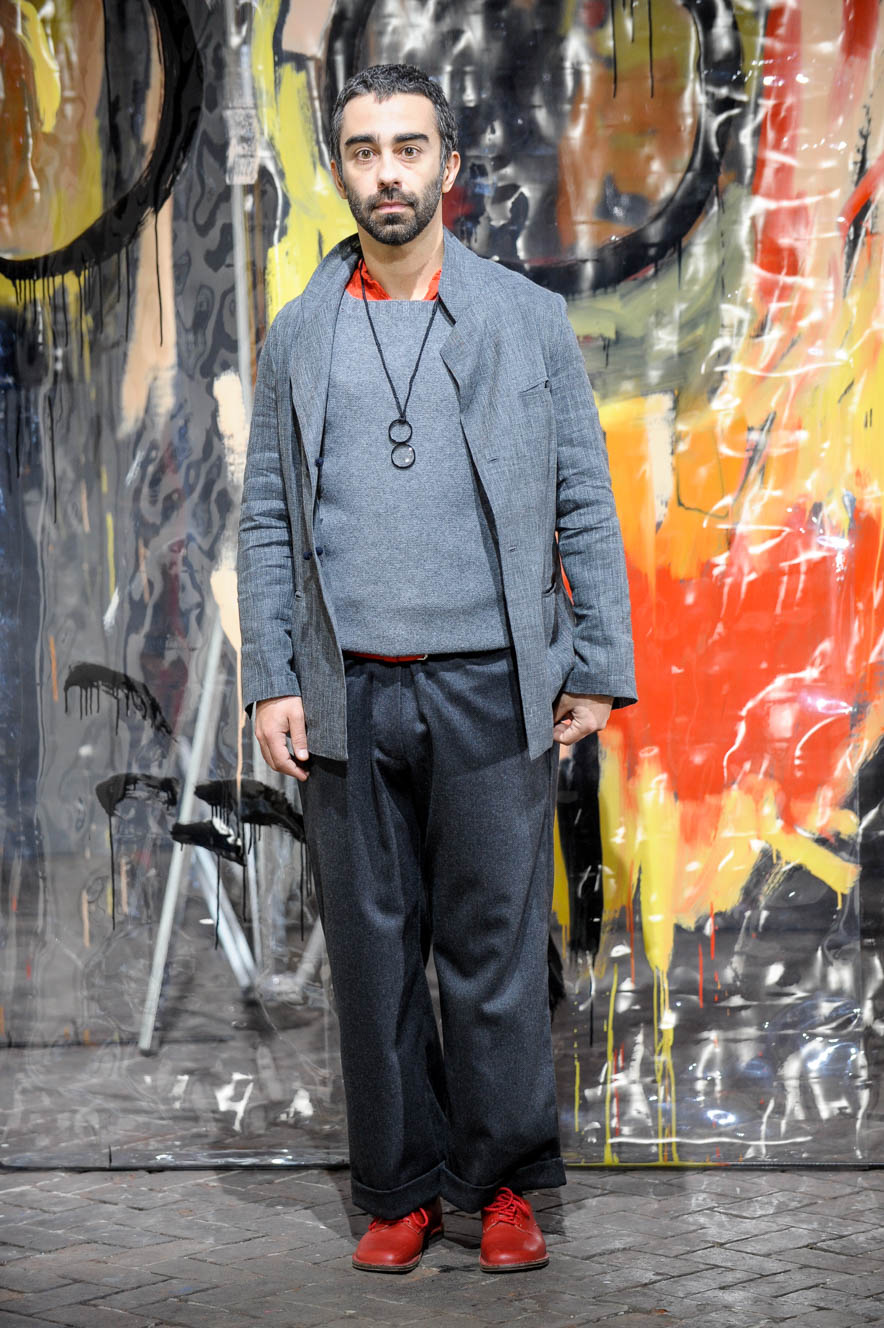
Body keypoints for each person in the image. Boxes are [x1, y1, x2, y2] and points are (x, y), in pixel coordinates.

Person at [237, 63, 636, 1275]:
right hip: (348, 687)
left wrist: (595, 661)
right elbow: (268, 518)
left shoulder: (524, 318)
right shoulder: (300, 332)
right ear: (341, 170)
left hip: (489, 682)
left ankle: (501, 1183)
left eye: (408, 148)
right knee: (372, 957)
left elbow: (581, 499)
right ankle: (400, 1186)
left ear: (447, 168)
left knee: (495, 950)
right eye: (364, 151)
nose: (387, 173)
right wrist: (272, 675)